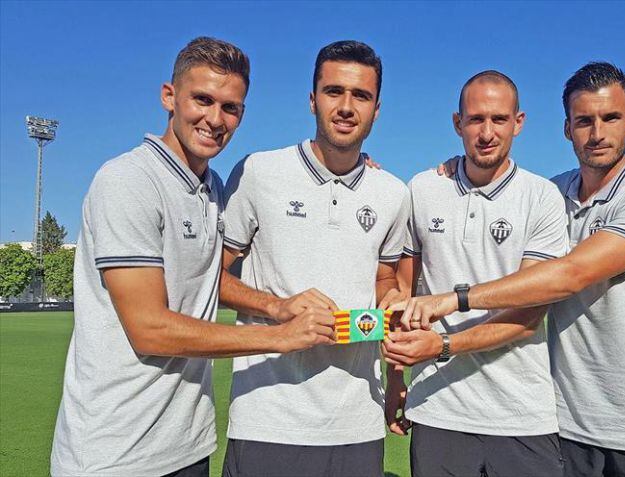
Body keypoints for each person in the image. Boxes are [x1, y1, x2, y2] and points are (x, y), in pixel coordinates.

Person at [51, 37, 338, 477]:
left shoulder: (214, 190)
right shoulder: (128, 181)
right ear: (169, 96)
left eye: (230, 107)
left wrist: (276, 306)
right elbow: (149, 329)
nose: (215, 119)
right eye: (202, 100)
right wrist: (281, 336)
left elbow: (203, 276)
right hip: (114, 453)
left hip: (187, 446)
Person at [395, 62, 625, 477]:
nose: (597, 133)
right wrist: (371, 166)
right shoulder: (552, 194)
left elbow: (570, 275)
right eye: (584, 121)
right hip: (570, 424)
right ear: (567, 129)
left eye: (611, 118)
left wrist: (455, 300)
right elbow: (496, 184)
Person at [220, 40, 409, 477]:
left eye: (361, 95)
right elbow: (209, 276)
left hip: (357, 422)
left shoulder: (393, 193)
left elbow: (384, 279)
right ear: (312, 100)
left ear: (376, 110)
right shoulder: (258, 172)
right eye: (333, 91)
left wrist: (392, 301)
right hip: (266, 419)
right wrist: (277, 307)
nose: (346, 107)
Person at [382, 70, 568, 477]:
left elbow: (527, 316)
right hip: (437, 410)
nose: (486, 133)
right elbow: (402, 295)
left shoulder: (542, 197)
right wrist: (396, 378)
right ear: (457, 123)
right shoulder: (423, 188)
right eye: (475, 119)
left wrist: (442, 345)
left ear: (518, 122)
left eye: (499, 119)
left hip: (521, 414)